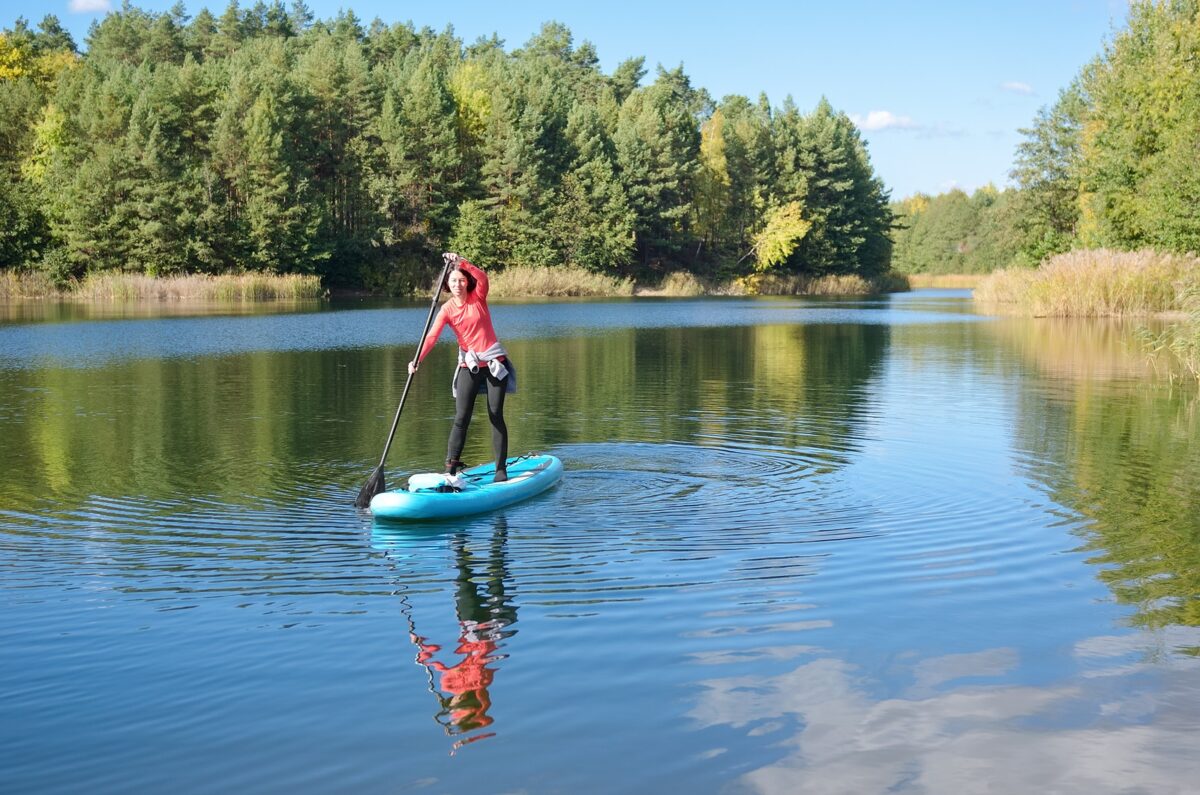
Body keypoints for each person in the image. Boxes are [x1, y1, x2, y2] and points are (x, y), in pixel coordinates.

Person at [409, 253, 515, 482]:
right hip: (470, 365)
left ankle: (500, 470)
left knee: (495, 414)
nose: (457, 285)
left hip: (495, 364)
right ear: (447, 284)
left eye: (461, 280)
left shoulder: (479, 296)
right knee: (461, 417)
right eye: (452, 281)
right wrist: (417, 360)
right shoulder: (447, 310)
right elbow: (431, 337)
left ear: (467, 281)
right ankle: (451, 469)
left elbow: (483, 277)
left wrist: (462, 262)